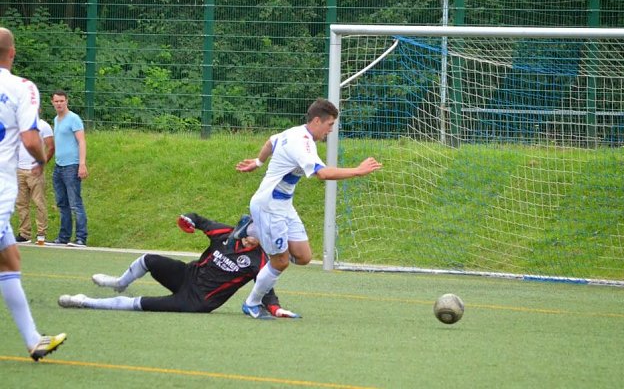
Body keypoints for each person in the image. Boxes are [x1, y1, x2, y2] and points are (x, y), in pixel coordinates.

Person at [236, 98, 381, 319]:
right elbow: (321, 174)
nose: (331, 130)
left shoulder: (294, 132)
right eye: (330, 124)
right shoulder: (301, 142)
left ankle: (258, 233)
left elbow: (270, 142)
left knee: (303, 257)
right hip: (269, 206)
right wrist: (358, 171)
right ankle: (252, 304)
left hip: (284, 204)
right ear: (316, 120)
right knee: (280, 262)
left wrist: (258, 162)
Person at [57, 212, 298, 318]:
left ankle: (84, 301)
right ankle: (119, 283)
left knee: (137, 304)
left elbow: (267, 288)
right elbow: (200, 219)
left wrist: (275, 309)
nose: (253, 233)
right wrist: (188, 220)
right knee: (148, 259)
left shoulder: (260, 258)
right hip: (186, 275)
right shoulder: (226, 232)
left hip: (196, 302)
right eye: (253, 227)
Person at [0, 27, 67, 360]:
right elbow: (30, 140)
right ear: (12, 53)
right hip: (0, 187)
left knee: (10, 259)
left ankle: (32, 340)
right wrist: (41, 160)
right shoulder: (20, 87)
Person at [49, 89, 88, 247]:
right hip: (59, 166)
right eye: (56, 101)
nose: (59, 103)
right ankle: (63, 236)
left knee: (75, 203)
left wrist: (82, 163)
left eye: (61, 101)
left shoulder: (74, 119)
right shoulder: (56, 119)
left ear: (67, 101)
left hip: (71, 166)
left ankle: (80, 238)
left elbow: (81, 141)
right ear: (52, 102)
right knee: (62, 203)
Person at [14, 109, 55, 245]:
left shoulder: (43, 126)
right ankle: (24, 234)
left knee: (39, 202)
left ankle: (41, 234)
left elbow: (50, 147)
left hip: (35, 171)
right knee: (21, 203)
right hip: (20, 169)